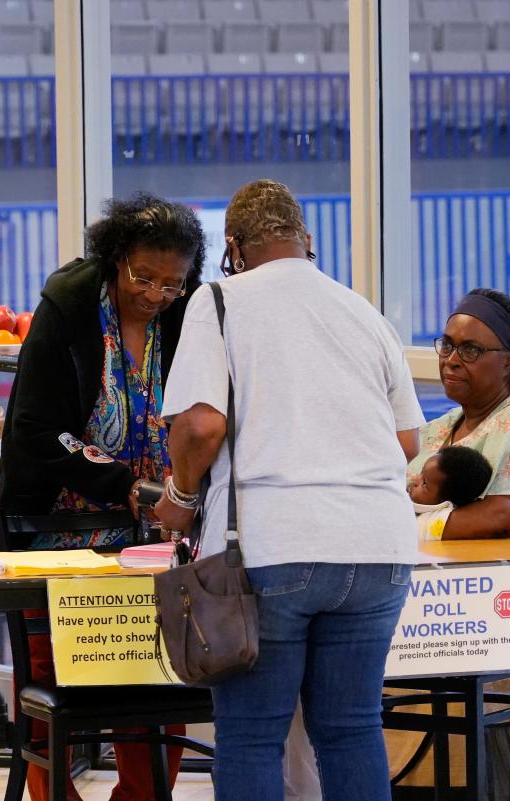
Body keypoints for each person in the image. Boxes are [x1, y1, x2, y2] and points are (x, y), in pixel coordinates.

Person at [153, 179, 425, 801]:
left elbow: (199, 425)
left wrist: (183, 496)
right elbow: (406, 442)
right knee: (352, 728)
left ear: (234, 250)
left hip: (274, 549)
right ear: (307, 240)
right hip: (379, 548)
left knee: (251, 736)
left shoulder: (218, 301)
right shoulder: (362, 311)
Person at [0, 192, 206, 801]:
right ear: (116, 260)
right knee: (51, 678)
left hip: (154, 537)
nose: (156, 294)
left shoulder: (185, 312)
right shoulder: (68, 309)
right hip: (57, 530)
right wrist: (128, 489)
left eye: (173, 283)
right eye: (144, 277)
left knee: (157, 686)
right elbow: (37, 429)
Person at [396, 288, 510, 801]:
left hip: (480, 618)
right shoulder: (440, 427)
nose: (450, 359)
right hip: (416, 609)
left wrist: (417, 528)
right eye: (445, 345)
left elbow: (502, 513)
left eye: (470, 350)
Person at [408, 445, 494, 541]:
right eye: (421, 472)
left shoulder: (433, 520)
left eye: (424, 483)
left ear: (445, 501)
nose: (414, 480)